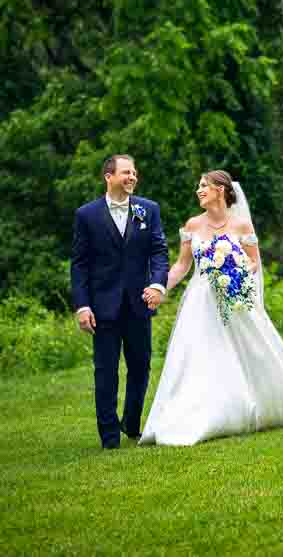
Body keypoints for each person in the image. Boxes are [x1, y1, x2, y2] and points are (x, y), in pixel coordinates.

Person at [139, 170, 283, 446]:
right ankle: (204, 412)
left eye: (204, 185)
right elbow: (182, 265)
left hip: (235, 297)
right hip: (201, 301)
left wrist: (236, 270)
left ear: (221, 189)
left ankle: (263, 404)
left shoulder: (242, 226)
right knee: (201, 353)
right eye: (199, 186)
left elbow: (254, 262)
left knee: (253, 350)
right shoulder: (192, 225)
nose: (199, 190)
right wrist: (160, 287)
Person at [71, 155, 169, 450]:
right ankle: (109, 436)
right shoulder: (86, 215)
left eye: (135, 173)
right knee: (106, 370)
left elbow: (159, 252)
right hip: (102, 307)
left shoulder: (148, 210)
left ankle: (131, 422)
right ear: (109, 176)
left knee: (140, 367)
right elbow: (80, 264)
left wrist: (156, 284)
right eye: (126, 172)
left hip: (140, 304)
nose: (132, 177)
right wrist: (82, 305)